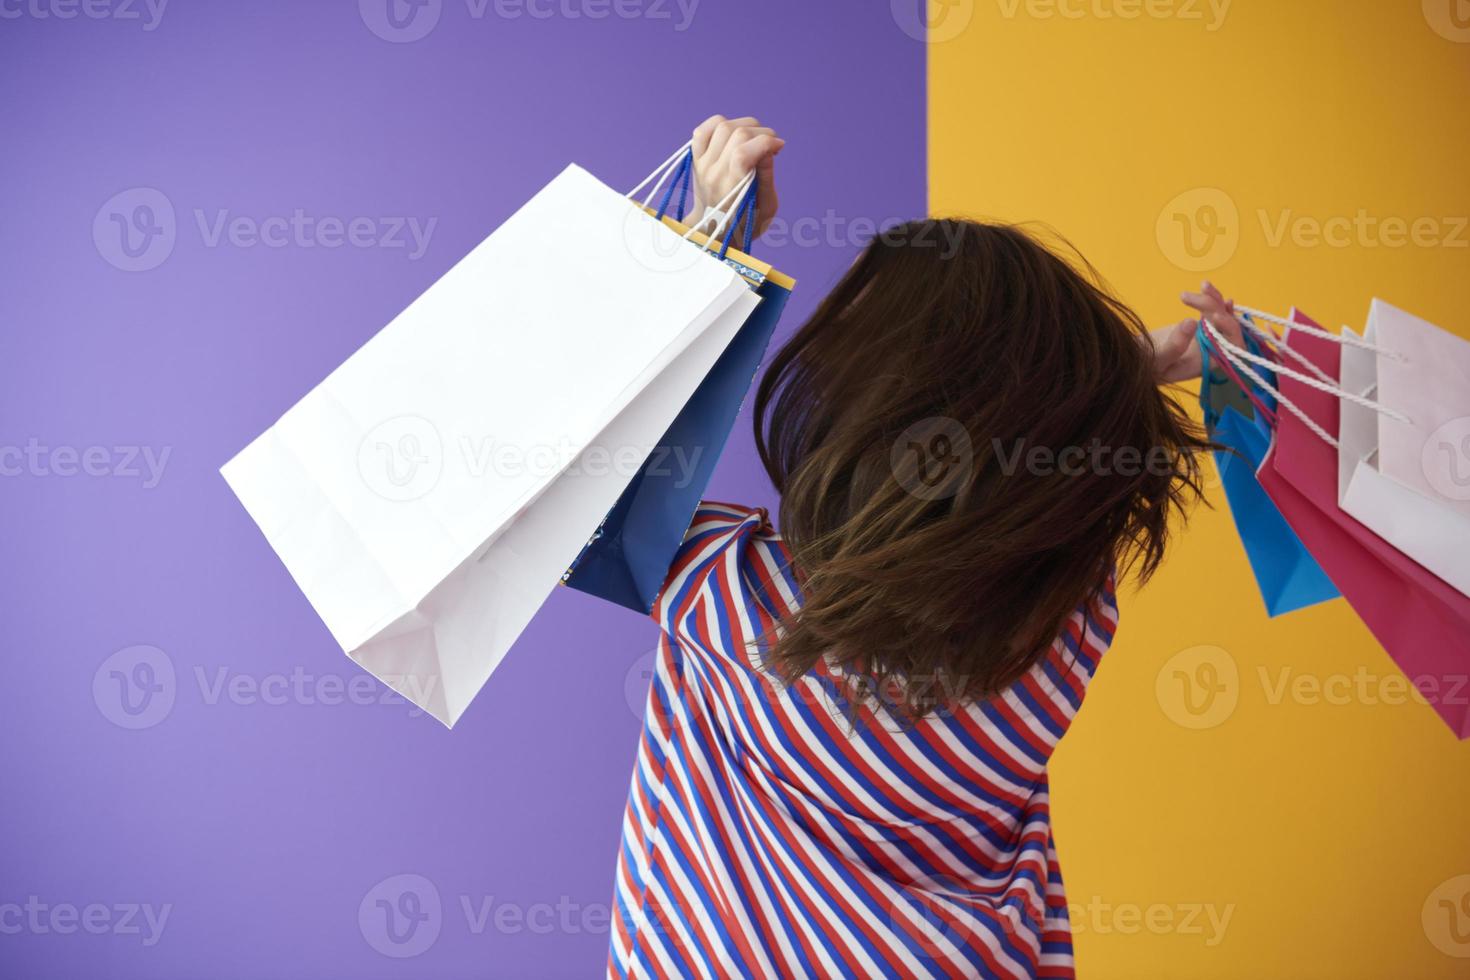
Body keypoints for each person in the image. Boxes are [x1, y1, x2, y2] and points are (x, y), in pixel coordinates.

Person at [607, 115, 1244, 980]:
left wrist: (700, 243)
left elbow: (585, 471)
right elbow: (1028, 469)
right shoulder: (1067, 631)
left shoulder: (724, 599)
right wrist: (1122, 373)